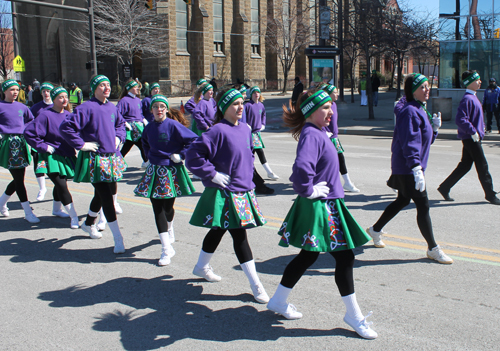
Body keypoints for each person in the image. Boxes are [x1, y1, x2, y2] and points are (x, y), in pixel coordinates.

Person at [267, 89, 377, 340]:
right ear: (311, 111)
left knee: (308, 256)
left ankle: (278, 300)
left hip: (326, 203)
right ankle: (354, 316)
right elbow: (301, 170)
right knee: (345, 257)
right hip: (322, 205)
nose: (331, 111)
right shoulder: (311, 135)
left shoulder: (317, 132)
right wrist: (309, 189)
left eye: (331, 107)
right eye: (326, 108)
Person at [185, 87, 269, 304]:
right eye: (235, 104)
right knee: (239, 237)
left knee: (218, 230)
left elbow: (247, 160)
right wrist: (212, 174)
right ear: (224, 108)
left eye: (242, 103)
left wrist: (251, 185)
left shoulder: (245, 129)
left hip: (243, 192)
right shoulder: (216, 131)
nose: (241, 107)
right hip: (226, 193)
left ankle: (201, 266)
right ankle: (256, 284)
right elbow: (193, 157)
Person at [366, 73, 453, 264]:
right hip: (407, 167)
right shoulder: (409, 112)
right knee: (423, 206)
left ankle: (375, 229)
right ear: (412, 91)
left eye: (427, 86)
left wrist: (435, 130)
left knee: (402, 200)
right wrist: (415, 167)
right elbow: (410, 142)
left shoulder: (420, 109)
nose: (427, 89)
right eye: (422, 87)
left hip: (410, 167)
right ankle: (433, 248)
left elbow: (424, 142)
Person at [59, 74, 127, 253]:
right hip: (95, 160)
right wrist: (81, 145)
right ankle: (118, 238)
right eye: (103, 85)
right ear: (95, 88)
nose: (107, 88)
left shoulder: (112, 107)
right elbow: (66, 127)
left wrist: (119, 138)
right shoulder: (86, 108)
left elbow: (120, 124)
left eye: (108, 85)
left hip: (111, 158)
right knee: (106, 197)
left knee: (103, 193)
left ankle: (89, 223)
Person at [134, 95, 198, 265]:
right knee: (157, 209)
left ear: (167, 109)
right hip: (154, 170)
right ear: (151, 110)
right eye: (156, 107)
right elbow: (144, 142)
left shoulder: (173, 125)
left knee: (168, 208)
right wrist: (147, 157)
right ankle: (166, 248)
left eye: (162, 106)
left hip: (171, 170)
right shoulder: (148, 128)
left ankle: (170, 228)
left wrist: (181, 154)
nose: (159, 109)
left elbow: (194, 140)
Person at [438, 70, 500, 205]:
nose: (480, 82)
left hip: (473, 137)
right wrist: (473, 131)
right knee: (482, 166)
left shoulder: (473, 97)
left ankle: (444, 187)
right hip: (471, 138)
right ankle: (490, 194)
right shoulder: (467, 99)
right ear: (469, 82)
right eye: (477, 80)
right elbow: (460, 119)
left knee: (465, 166)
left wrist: (480, 128)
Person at [24, 86, 80, 229]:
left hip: (66, 155)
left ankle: (56, 209)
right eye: (60, 97)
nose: (64, 99)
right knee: (61, 184)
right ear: (54, 99)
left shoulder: (68, 114)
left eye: (65, 97)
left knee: (61, 183)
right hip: (50, 156)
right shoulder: (45, 114)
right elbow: (29, 133)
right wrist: (43, 146)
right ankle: (74, 216)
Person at [0, 79, 39, 223]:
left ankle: (1, 203)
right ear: (4, 91)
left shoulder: (22, 107)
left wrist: (27, 132)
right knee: (18, 179)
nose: (15, 92)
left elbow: (31, 121)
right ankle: (28, 212)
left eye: (17, 89)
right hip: (8, 144)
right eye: (11, 89)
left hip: (21, 143)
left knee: (19, 179)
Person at [322, 84, 360, 192]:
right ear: (328, 94)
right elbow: (319, 120)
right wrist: (325, 132)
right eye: (335, 92)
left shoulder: (334, 105)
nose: (337, 94)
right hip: (327, 138)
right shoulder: (324, 105)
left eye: (337, 92)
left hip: (334, 137)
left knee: (339, 159)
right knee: (332, 160)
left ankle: (346, 182)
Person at [245, 86, 279, 180]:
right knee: (255, 153)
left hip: (257, 134)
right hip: (249, 134)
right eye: (254, 92)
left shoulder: (261, 105)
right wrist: (246, 125)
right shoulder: (247, 105)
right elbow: (243, 117)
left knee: (256, 153)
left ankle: (269, 172)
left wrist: (263, 124)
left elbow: (264, 115)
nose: (256, 94)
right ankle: (268, 172)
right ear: (251, 94)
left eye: (258, 92)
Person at [30, 82, 54, 201]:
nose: (46, 93)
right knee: (39, 165)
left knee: (53, 167)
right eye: (44, 91)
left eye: (48, 91)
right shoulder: (35, 108)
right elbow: (29, 123)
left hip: (53, 141)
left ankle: (58, 194)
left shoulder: (56, 106)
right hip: (39, 141)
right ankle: (42, 188)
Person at [117, 78, 149, 168]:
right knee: (128, 146)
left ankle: (146, 161)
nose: (138, 89)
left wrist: (143, 119)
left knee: (142, 145)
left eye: (138, 87)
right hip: (130, 129)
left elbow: (140, 113)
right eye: (135, 87)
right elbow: (117, 114)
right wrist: (125, 123)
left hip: (139, 127)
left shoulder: (138, 100)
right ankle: (116, 161)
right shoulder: (124, 100)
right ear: (129, 88)